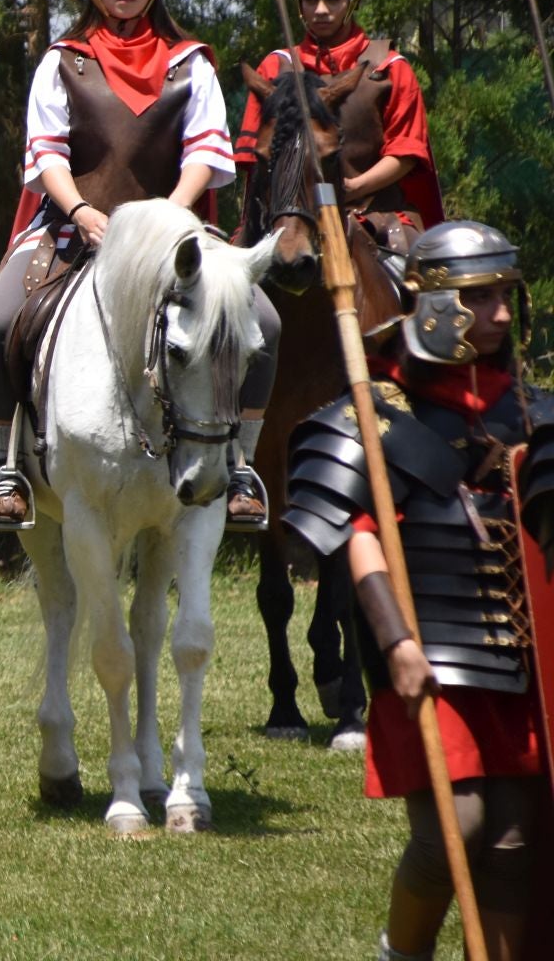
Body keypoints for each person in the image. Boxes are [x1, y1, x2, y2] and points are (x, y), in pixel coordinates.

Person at [0, 0, 279, 530]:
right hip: (72, 227)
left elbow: (206, 153)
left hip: (175, 233)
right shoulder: (63, 61)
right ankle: (6, 470)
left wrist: (166, 217)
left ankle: (240, 466)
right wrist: (82, 212)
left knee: (263, 321)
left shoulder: (191, 63)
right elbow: (46, 154)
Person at [281, 222, 550, 961]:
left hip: (520, 657)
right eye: (478, 297)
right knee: (450, 835)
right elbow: (359, 534)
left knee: (514, 840)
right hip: (429, 650)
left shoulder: (533, 411)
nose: (499, 313)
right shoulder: (380, 413)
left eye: (505, 295)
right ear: (431, 302)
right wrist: (396, 642)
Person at [234, 0, 444, 249]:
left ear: (352, 1)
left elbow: (406, 153)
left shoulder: (389, 69)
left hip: (375, 217)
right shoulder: (275, 68)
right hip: (286, 221)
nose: (320, 10)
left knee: (418, 274)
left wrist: (351, 188)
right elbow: (256, 156)